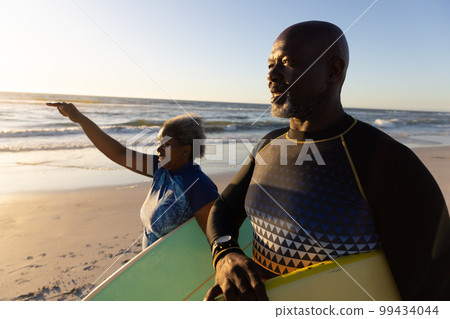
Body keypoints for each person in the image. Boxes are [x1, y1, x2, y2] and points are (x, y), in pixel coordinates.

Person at [204, 21, 450, 301]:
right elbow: (224, 207)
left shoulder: (386, 160)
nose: (272, 74)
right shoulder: (269, 145)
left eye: (288, 62)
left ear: (333, 70)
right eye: (270, 64)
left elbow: (434, 293)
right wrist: (225, 253)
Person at [46, 102, 218, 248]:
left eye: (166, 144)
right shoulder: (162, 169)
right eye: (159, 143)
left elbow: (217, 242)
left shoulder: (199, 186)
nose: (158, 149)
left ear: (186, 150)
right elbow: (119, 153)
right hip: (150, 268)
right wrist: (79, 119)